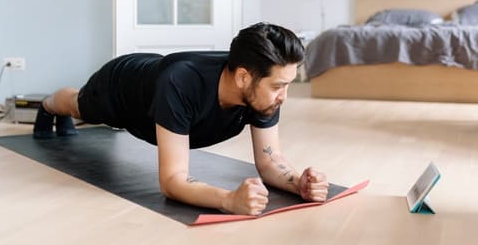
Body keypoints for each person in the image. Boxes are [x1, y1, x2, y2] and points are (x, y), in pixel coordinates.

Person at [33, 22, 329, 216]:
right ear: (242, 77)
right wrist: (229, 200)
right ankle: (47, 105)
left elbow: (270, 160)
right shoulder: (182, 83)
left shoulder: (261, 89)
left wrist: (297, 183)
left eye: (288, 85)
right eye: (278, 87)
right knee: (77, 106)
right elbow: (172, 181)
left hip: (156, 77)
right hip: (120, 87)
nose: (284, 97)